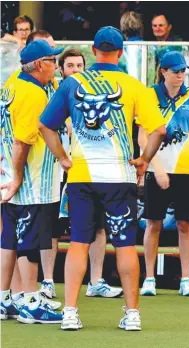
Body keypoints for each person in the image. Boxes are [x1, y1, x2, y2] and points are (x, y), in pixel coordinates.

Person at [38, 26, 166, 331]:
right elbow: (159, 130)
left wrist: (63, 158)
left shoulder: (73, 83)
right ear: (120, 53)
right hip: (119, 177)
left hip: (81, 175)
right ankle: (132, 315)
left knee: (79, 243)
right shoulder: (134, 85)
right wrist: (144, 160)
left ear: (93, 51)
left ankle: (70, 312)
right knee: (124, 244)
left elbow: (45, 126)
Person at [39, 48, 124, 301]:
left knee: (97, 226)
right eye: (70, 66)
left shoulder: (93, 95)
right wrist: (61, 157)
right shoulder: (51, 92)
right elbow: (43, 127)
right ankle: (48, 281)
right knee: (51, 227)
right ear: (61, 69)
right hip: (54, 170)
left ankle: (95, 280)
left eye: (79, 66)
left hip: (86, 170)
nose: (75, 70)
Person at [0, 39, 64, 324]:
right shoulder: (32, 93)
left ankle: (5, 298)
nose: (56, 66)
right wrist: (18, 177)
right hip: (29, 178)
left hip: (10, 174)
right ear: (39, 65)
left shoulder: (14, 81)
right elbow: (22, 142)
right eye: (53, 61)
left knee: (9, 238)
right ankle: (28, 301)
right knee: (29, 239)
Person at [139, 51, 189, 297]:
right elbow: (142, 136)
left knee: (185, 223)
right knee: (153, 222)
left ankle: (186, 279)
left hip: (186, 170)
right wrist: (155, 167)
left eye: (182, 71)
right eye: (175, 70)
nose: (180, 75)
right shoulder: (148, 95)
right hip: (158, 169)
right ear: (163, 71)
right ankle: (148, 278)